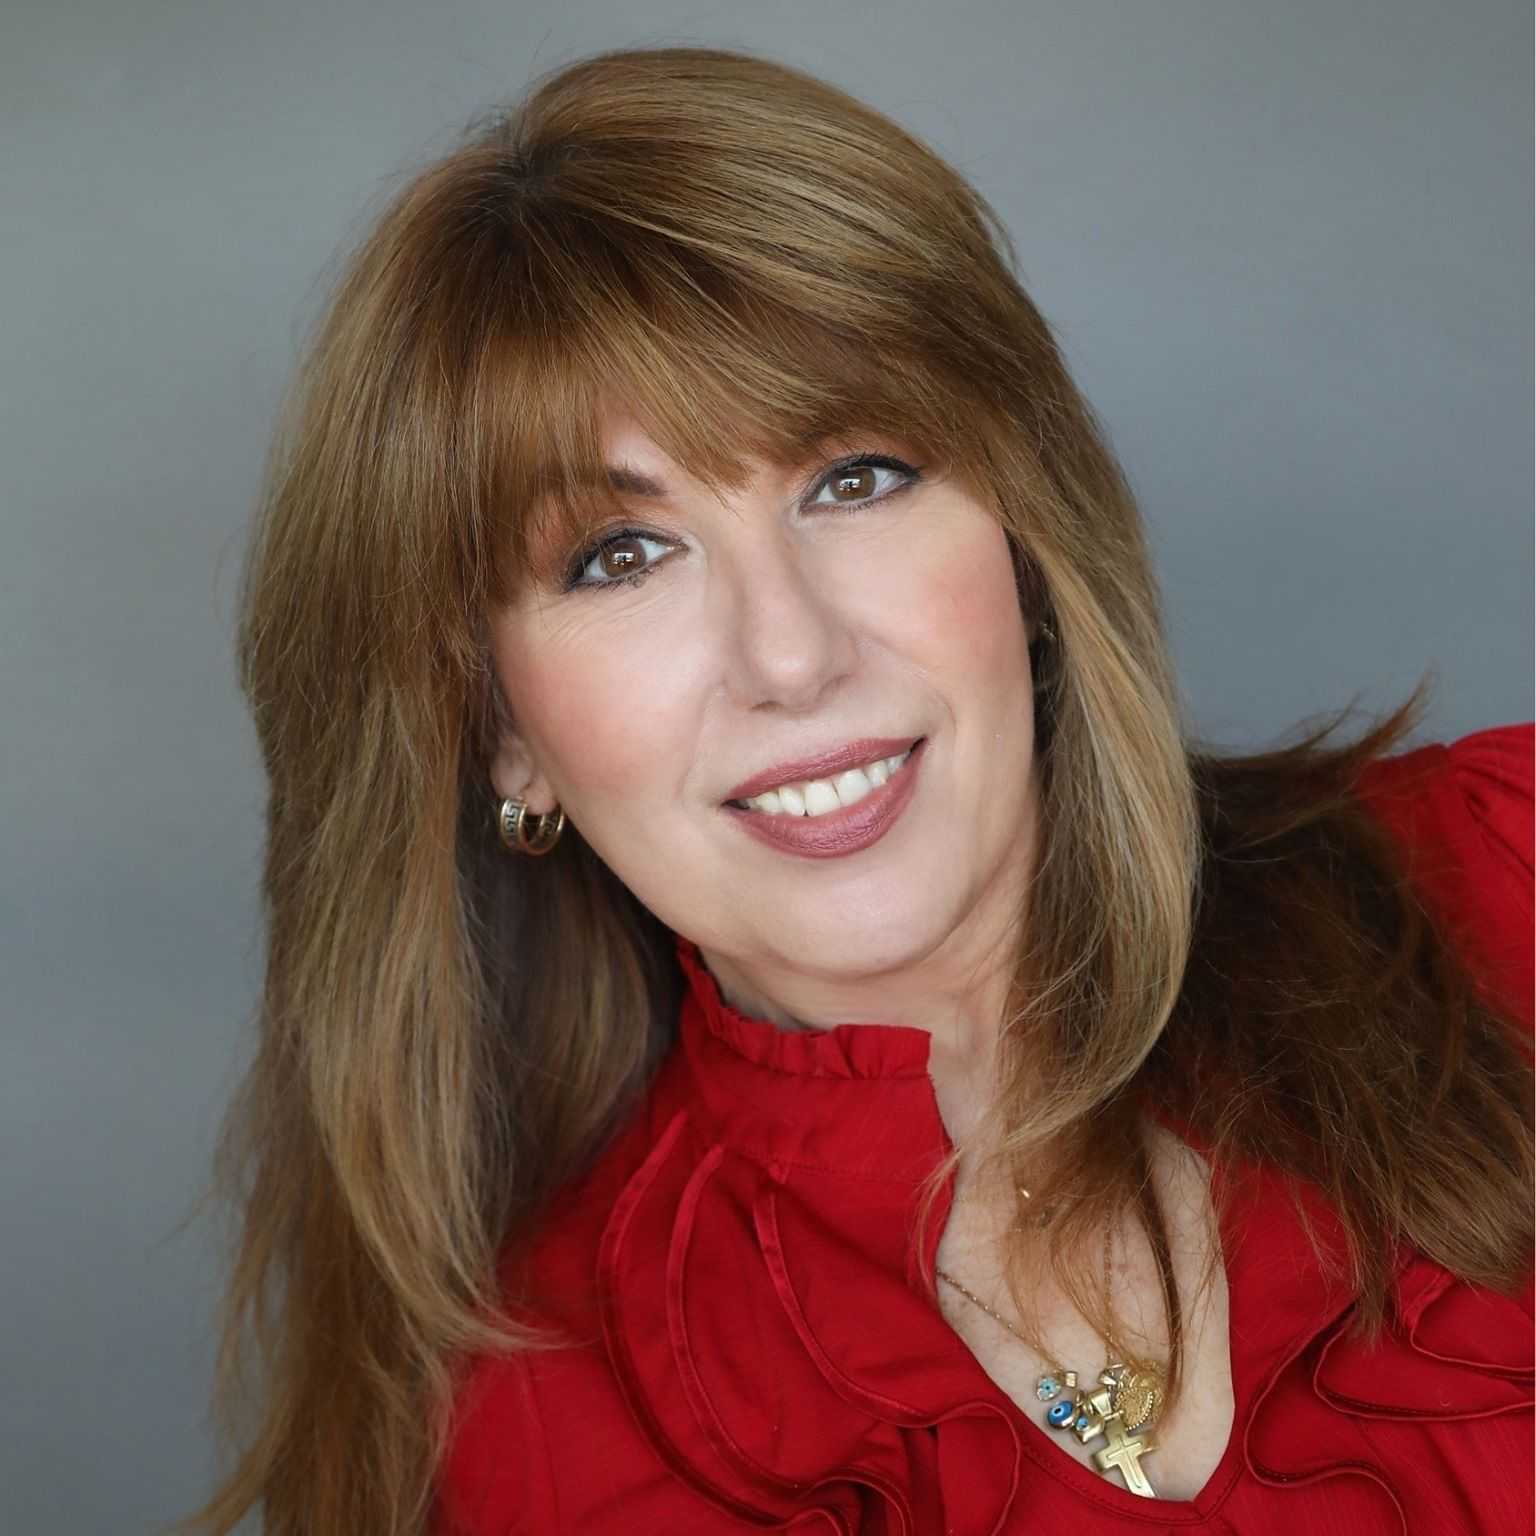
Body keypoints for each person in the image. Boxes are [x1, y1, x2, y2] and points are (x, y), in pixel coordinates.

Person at [188, 45, 1534, 1536]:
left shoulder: (1508, 869)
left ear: (1028, 540)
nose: (791, 655)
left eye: (858, 478)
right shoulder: (549, 1437)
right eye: (619, 556)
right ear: (500, 733)